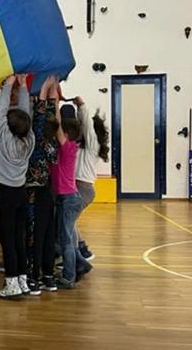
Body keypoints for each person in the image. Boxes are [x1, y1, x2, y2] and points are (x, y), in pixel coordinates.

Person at [0, 75, 35, 299]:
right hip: (21, 192)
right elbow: (26, 113)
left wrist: (7, 86)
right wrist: (23, 86)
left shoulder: (3, 137)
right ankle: (22, 280)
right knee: (19, 237)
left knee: (7, 239)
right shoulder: (29, 138)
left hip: (5, 194)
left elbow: (2, 108)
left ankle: (12, 284)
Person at [51, 88, 92, 289]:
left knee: (66, 240)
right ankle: (81, 264)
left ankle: (68, 277)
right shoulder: (71, 146)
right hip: (66, 197)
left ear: (66, 134)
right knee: (63, 237)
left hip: (69, 198)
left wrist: (55, 101)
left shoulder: (68, 147)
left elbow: (57, 125)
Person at [23, 76, 59, 295]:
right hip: (47, 190)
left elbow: (38, 120)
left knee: (33, 234)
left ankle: (33, 277)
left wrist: (44, 91)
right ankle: (48, 275)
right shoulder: (53, 143)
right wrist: (53, 96)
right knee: (47, 233)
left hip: (32, 193)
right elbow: (50, 119)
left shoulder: (36, 143)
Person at [74, 96, 109, 263]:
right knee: (67, 221)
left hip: (83, 189)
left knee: (66, 222)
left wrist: (82, 106)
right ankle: (81, 249)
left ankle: (81, 253)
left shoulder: (92, 143)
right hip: (80, 188)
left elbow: (87, 126)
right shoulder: (83, 147)